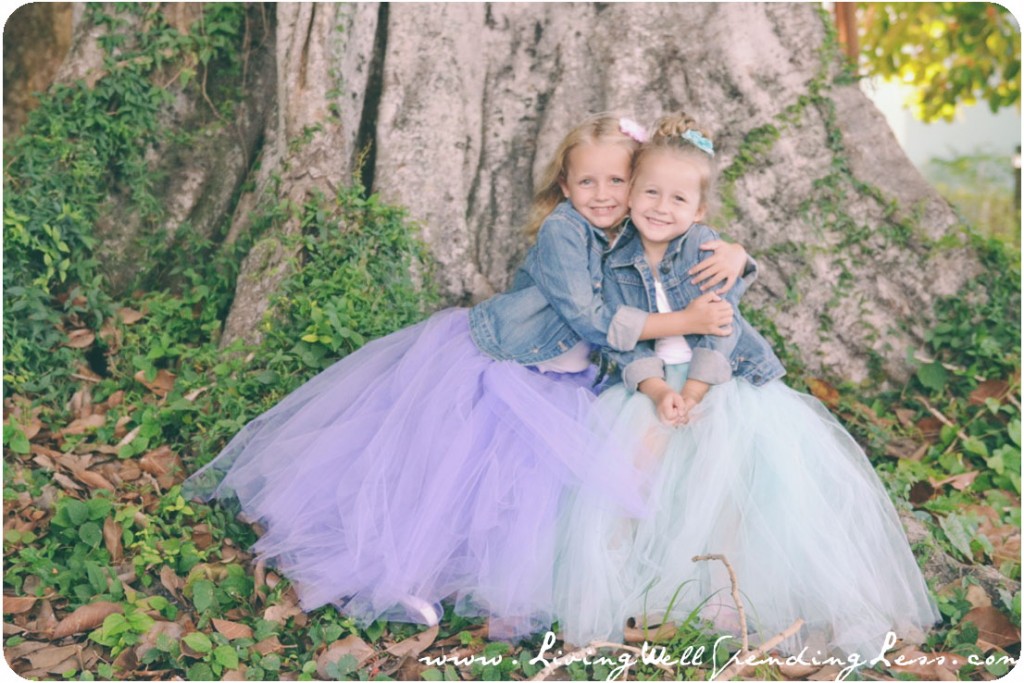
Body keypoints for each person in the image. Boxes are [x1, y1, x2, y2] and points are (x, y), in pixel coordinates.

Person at [182, 113, 753, 640]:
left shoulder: (628, 232)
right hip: (506, 363)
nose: (602, 195)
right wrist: (684, 321)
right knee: (453, 480)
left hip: (565, 377)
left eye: (616, 182)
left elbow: (680, 249)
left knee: (526, 494)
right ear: (563, 186)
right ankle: (410, 573)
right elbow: (588, 316)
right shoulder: (563, 231)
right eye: (587, 183)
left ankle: (494, 583)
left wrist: (736, 253)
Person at [553, 112, 940, 659]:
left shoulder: (710, 251)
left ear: (701, 210)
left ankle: (726, 593)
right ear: (632, 191)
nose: (662, 208)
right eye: (650, 193)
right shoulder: (616, 260)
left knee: (728, 476)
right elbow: (626, 344)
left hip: (722, 383)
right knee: (630, 474)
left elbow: (722, 332)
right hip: (653, 386)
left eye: (678, 199)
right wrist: (660, 393)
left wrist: (694, 393)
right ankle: (615, 587)